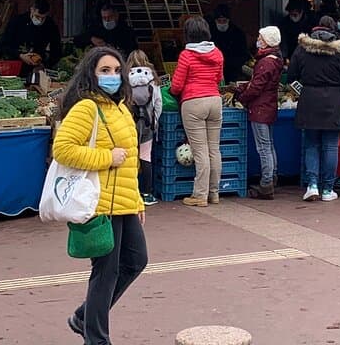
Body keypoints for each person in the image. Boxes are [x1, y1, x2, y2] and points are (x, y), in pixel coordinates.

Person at [52, 47, 146, 345]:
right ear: (91, 74)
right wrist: (106, 157)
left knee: (136, 261)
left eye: (117, 71)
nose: (112, 76)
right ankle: (97, 338)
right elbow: (62, 149)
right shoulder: (86, 107)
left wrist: (137, 201)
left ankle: (84, 317)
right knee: (106, 271)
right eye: (105, 71)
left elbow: (129, 160)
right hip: (99, 202)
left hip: (124, 202)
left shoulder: (119, 107)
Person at [290, 17, 340, 202]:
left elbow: (291, 76)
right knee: (330, 146)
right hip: (335, 101)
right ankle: (328, 189)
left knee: (311, 144)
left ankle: (312, 185)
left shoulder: (302, 48)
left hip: (309, 100)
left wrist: (302, 92)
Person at [169, 18, 224, 207]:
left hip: (193, 102)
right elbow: (219, 78)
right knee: (214, 149)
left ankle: (200, 195)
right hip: (215, 101)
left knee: (200, 151)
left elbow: (176, 85)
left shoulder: (187, 54)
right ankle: (214, 193)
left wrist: (173, 92)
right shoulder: (217, 53)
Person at [236, 26, 283, 199]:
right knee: (269, 144)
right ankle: (272, 177)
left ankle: (266, 183)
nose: (257, 40)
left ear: (267, 41)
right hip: (268, 106)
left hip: (260, 108)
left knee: (263, 147)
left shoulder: (266, 62)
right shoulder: (275, 60)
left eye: (260, 37)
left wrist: (242, 97)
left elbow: (256, 87)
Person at [125, 50, 162, 207]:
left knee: (128, 156)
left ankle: (129, 192)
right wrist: (155, 120)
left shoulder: (125, 78)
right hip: (147, 124)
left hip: (129, 123)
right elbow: (158, 102)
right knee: (145, 156)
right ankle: (146, 193)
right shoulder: (152, 78)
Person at [0, 0, 62, 78]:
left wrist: (44, 65)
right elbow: (3, 45)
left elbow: (56, 50)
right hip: (15, 65)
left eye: (43, 18)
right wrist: (20, 55)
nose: (39, 20)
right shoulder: (17, 22)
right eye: (37, 16)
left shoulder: (51, 26)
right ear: (32, 10)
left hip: (38, 66)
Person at [206, 5, 250, 83]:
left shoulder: (238, 33)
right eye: (219, 21)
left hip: (233, 71)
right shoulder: (209, 33)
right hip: (213, 70)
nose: (222, 23)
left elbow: (243, 54)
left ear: (228, 20)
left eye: (224, 21)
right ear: (215, 21)